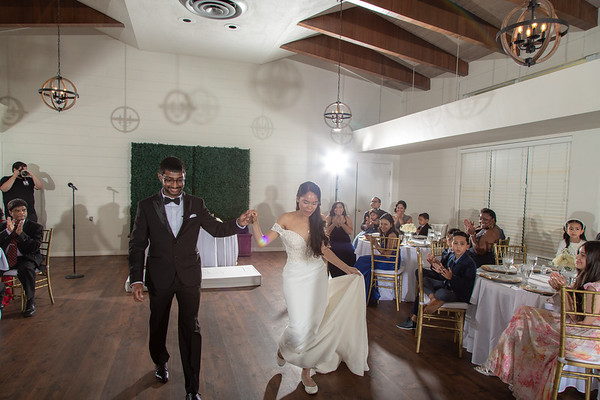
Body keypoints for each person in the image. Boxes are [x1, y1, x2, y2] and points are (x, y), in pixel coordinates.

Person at [128, 156, 253, 400]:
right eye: (169, 180)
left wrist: (239, 222)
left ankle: (192, 388)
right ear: (160, 177)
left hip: (189, 277)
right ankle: (160, 361)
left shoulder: (197, 204)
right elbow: (137, 244)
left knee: (191, 329)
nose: (175, 186)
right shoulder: (146, 206)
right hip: (159, 276)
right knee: (158, 324)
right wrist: (136, 279)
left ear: (184, 177)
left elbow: (216, 230)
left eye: (179, 181)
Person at [249, 181, 368, 394]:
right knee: (297, 326)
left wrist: (347, 267)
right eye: (305, 201)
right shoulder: (286, 218)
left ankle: (306, 372)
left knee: (313, 325)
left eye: (314, 202)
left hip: (316, 277)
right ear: (297, 198)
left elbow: (325, 251)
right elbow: (263, 242)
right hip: (294, 277)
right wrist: (255, 223)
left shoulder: (320, 221)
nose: (309, 206)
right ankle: (284, 348)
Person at [475, 241, 600, 400]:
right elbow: (575, 314)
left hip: (585, 338)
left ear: (594, 259)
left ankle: (507, 371)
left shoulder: (593, 287)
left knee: (527, 324)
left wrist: (563, 290)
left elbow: (582, 320)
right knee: (524, 314)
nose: (578, 257)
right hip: (580, 329)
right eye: (579, 253)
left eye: (583, 255)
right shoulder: (584, 278)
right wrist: (563, 290)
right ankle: (511, 373)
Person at [397, 231, 477, 329]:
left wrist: (451, 278)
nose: (458, 247)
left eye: (462, 244)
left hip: (458, 292)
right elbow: (444, 274)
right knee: (425, 280)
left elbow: (468, 285)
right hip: (447, 284)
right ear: (451, 244)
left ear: (468, 246)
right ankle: (433, 299)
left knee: (441, 293)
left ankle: (431, 303)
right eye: (455, 243)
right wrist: (438, 267)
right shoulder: (452, 257)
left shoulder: (469, 263)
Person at [0, 198, 43, 317]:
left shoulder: (35, 227)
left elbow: (34, 247)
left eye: (23, 210)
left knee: (27, 269)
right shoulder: (3, 226)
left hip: (26, 257)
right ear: (10, 212)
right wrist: (7, 232)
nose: (21, 213)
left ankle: (30, 302)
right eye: (17, 211)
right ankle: (0, 300)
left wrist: (21, 235)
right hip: (6, 259)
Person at [355, 213, 400, 304]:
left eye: (385, 224)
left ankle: (362, 292)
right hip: (384, 259)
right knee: (363, 260)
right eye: (381, 224)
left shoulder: (391, 235)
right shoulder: (384, 233)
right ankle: (362, 291)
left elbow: (387, 255)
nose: (383, 226)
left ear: (391, 224)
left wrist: (375, 243)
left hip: (390, 262)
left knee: (363, 261)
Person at [326, 201, 356, 278]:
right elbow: (326, 232)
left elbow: (350, 231)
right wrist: (334, 223)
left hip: (345, 242)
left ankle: (348, 273)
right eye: (336, 207)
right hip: (333, 242)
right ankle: (335, 274)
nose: (338, 209)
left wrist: (342, 224)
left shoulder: (347, 217)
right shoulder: (329, 217)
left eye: (340, 207)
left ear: (343, 209)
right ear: (333, 209)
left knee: (350, 251)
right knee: (334, 251)